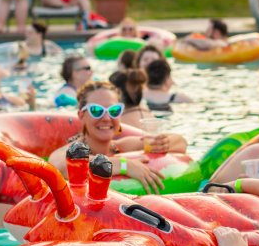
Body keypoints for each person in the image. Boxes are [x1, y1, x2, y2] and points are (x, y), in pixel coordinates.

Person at [48, 81, 188, 194]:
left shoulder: (121, 146)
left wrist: (162, 143)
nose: (107, 118)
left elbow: (180, 143)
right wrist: (124, 165)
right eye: (96, 111)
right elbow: (59, 166)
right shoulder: (71, 151)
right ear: (81, 115)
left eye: (114, 111)